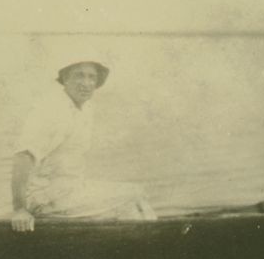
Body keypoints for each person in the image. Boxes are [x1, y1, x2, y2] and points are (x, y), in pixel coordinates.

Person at [11, 58, 157, 232]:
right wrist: (19, 209)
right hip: (44, 198)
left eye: (91, 77)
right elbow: (23, 157)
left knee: (135, 197)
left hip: (71, 190)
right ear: (65, 78)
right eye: (79, 76)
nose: (86, 83)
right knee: (132, 196)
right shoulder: (51, 110)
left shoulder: (84, 108)